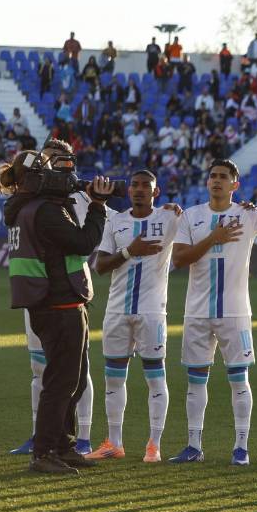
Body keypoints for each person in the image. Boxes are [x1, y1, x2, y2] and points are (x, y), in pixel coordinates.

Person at [4, 150, 115, 474]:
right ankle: (45, 451)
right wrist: (97, 206)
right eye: (49, 172)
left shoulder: (23, 208)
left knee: (74, 381)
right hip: (59, 305)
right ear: (37, 178)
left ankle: (62, 444)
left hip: (50, 303)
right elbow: (83, 243)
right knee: (61, 383)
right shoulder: (45, 211)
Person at [168, 160, 257, 465]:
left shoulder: (248, 215)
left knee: (239, 379)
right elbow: (180, 259)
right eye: (212, 176)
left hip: (235, 311)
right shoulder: (192, 216)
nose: (216, 181)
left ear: (234, 185)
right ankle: (193, 445)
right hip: (197, 311)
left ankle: (241, 447)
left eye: (223, 177)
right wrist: (212, 238)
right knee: (196, 379)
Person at [85, 170, 178, 463]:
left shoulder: (171, 218)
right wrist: (129, 251)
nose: (138, 190)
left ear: (156, 191)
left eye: (145, 186)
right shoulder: (116, 221)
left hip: (152, 312)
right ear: (129, 192)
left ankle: (154, 444)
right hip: (117, 310)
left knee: (155, 377)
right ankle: (114, 442)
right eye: (134, 185)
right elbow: (100, 265)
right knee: (113, 379)